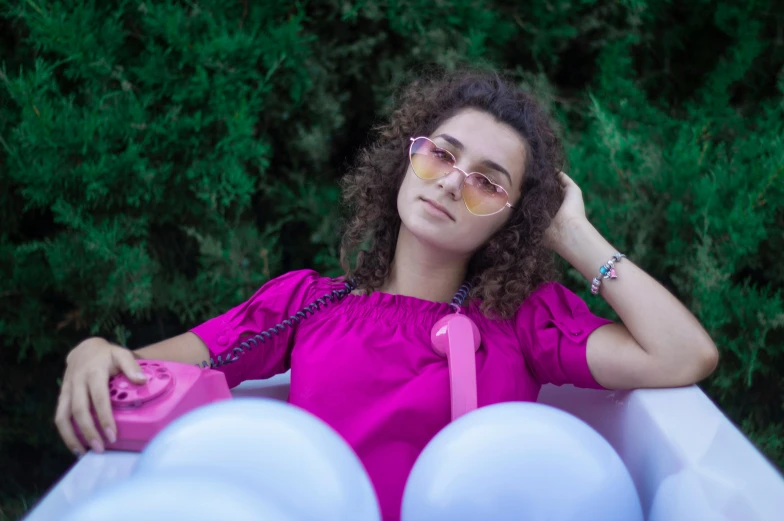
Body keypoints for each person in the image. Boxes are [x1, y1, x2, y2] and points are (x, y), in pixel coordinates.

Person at [55, 67, 719, 521]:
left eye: (488, 181)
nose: (452, 183)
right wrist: (92, 348)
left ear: (514, 216)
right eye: (440, 153)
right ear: (409, 159)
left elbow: (682, 355)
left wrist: (573, 233)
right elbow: (150, 369)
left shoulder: (525, 321)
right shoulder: (304, 301)